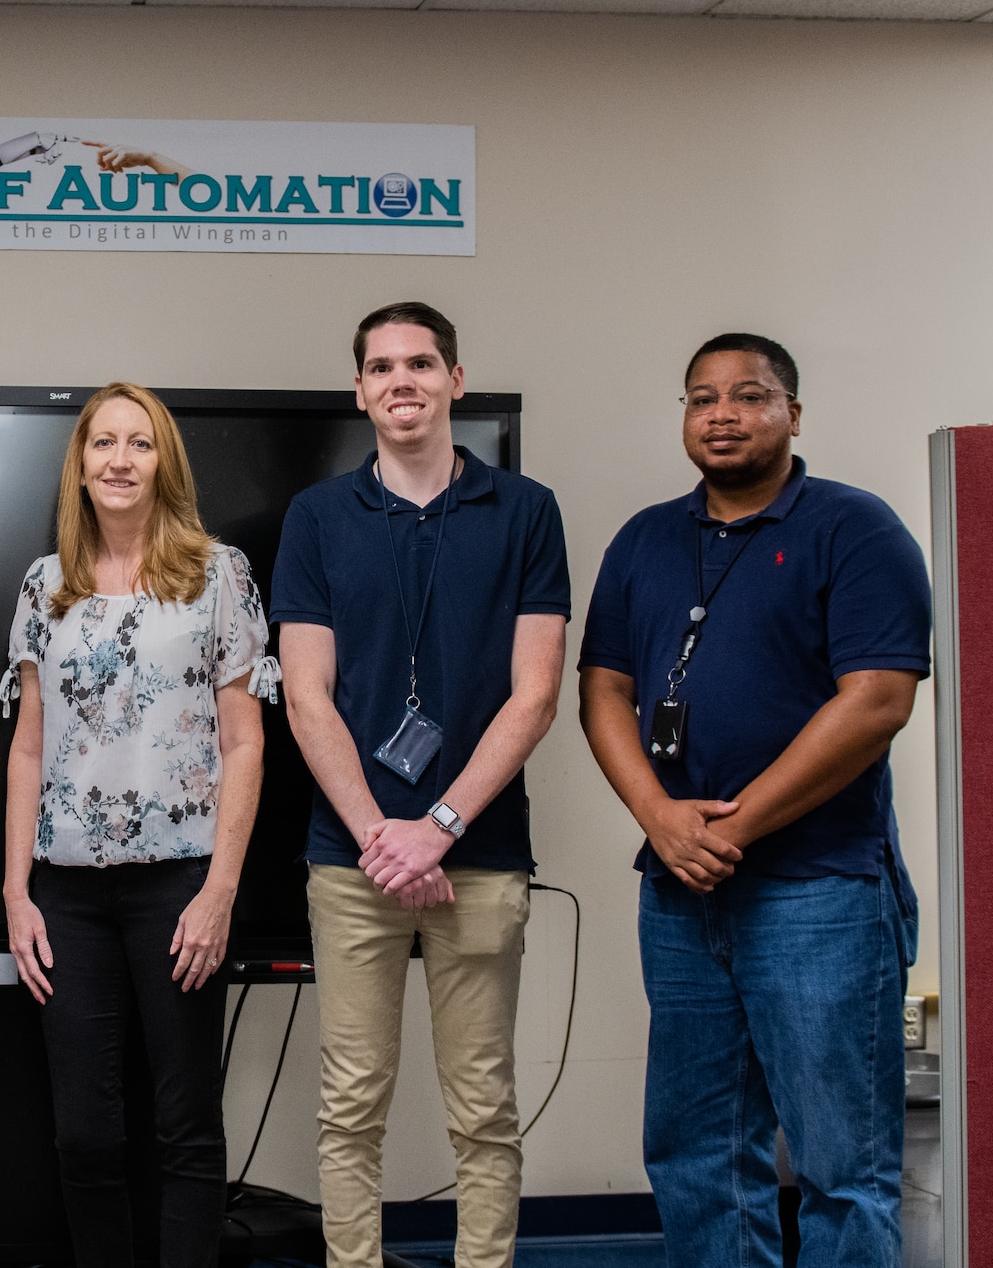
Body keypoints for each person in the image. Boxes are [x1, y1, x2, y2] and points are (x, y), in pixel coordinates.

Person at [577, 333, 928, 1266]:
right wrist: (659, 817)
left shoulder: (855, 529)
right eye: (701, 398)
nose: (721, 414)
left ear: (793, 414)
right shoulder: (646, 539)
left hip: (819, 892)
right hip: (682, 894)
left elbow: (879, 699)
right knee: (696, 1155)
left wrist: (737, 823)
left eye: (748, 395)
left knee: (841, 1168)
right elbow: (603, 688)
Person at [271, 302, 569, 1268]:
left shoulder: (526, 510)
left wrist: (434, 827)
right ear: (359, 389)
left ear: (455, 380)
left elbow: (535, 695)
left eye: (422, 363)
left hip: (477, 855)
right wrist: (381, 838)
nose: (402, 380)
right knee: (351, 1099)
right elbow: (306, 698)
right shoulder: (316, 517)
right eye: (382, 366)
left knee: (483, 1102)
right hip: (352, 860)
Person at [3, 381, 277, 1268]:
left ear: (165, 461)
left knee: (186, 1124)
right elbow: (25, 750)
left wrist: (220, 893)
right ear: (79, 464)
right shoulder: (46, 584)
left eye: (141, 443)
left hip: (179, 886)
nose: (121, 460)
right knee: (84, 1133)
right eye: (104, 443)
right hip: (67, 895)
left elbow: (245, 741)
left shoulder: (217, 572)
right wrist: (15, 892)